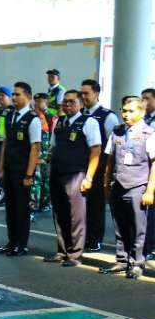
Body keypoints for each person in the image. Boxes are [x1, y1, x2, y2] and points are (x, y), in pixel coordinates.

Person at [44, 90, 101, 267]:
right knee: (59, 214)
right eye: (65, 102)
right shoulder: (59, 122)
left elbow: (96, 151)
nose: (67, 105)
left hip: (76, 174)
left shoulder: (88, 122)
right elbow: (53, 148)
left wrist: (89, 178)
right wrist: (49, 167)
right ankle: (62, 251)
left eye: (71, 102)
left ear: (80, 103)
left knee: (76, 216)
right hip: (57, 173)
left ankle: (75, 255)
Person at [100, 97, 154, 279]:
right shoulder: (117, 132)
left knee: (139, 227)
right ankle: (122, 261)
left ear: (142, 112)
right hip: (118, 183)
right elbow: (109, 159)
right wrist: (106, 182)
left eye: (131, 111)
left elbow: (154, 164)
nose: (126, 114)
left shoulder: (149, 133)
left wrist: (150, 190)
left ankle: (138, 263)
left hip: (138, 185)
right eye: (124, 110)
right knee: (119, 225)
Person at [0, 81, 41, 256]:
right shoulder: (9, 115)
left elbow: (35, 149)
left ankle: (21, 244)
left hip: (22, 172)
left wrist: (29, 175)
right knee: (10, 209)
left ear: (28, 97)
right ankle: (11, 241)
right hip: (9, 169)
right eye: (13, 94)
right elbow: (5, 144)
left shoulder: (33, 119)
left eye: (17, 94)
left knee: (21, 210)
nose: (14, 97)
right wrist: (1, 168)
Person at [79, 79, 120, 251]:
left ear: (96, 93)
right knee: (80, 207)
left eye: (86, 93)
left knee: (95, 206)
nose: (83, 97)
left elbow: (113, 145)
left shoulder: (108, 116)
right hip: (79, 167)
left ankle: (95, 239)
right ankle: (82, 238)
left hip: (99, 167)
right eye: (81, 93)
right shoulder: (79, 114)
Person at [31, 93, 53, 213]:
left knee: (45, 180)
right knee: (38, 179)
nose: (37, 104)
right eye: (36, 101)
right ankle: (35, 204)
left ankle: (45, 202)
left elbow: (52, 137)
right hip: (39, 154)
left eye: (40, 101)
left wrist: (49, 154)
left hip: (47, 153)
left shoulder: (51, 117)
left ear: (46, 102)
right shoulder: (35, 116)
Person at [143, 88, 155, 260]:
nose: (143, 102)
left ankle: (151, 246)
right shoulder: (143, 119)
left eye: (146, 98)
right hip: (143, 169)